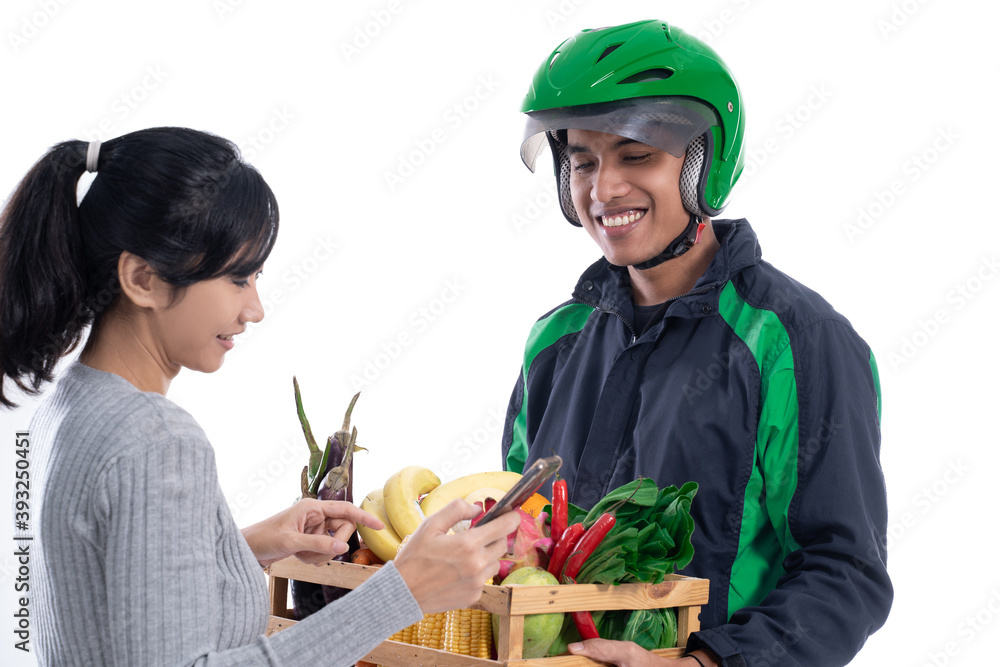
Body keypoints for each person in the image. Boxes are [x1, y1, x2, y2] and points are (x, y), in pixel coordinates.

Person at [0, 127, 521, 667]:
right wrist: (403, 593)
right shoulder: (156, 438)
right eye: (238, 279)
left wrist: (235, 547)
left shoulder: (67, 405)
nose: (255, 308)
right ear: (142, 279)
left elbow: (109, 598)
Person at [502, 20, 891, 666]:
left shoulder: (795, 342)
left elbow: (847, 570)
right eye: (583, 160)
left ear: (704, 163)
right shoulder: (555, 341)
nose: (603, 190)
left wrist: (703, 662)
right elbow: (519, 537)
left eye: (636, 155)